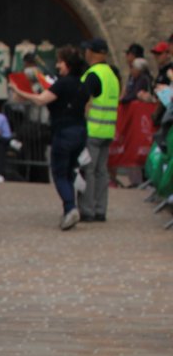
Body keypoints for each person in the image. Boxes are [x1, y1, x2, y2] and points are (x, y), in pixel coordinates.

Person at [9, 44, 89, 229]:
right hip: (80, 131)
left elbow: (41, 100)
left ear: (68, 64)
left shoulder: (63, 84)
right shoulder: (82, 85)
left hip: (64, 132)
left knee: (59, 172)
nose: (58, 65)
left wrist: (17, 90)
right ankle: (70, 208)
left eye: (60, 62)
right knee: (69, 171)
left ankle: (70, 208)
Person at [76, 37, 119, 221]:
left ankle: (88, 210)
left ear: (92, 52)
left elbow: (81, 98)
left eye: (87, 50)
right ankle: (101, 210)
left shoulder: (93, 74)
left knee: (88, 171)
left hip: (92, 129)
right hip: (108, 130)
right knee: (102, 172)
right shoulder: (112, 74)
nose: (85, 53)